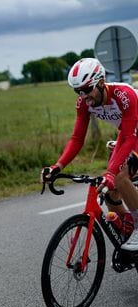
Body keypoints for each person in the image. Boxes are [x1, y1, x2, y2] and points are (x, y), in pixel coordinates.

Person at [41, 57, 138, 251]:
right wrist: (57, 166)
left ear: (101, 82)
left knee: (118, 176)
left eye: (86, 89)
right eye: (78, 91)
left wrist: (112, 171)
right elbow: (77, 138)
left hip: (131, 134)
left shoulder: (124, 95)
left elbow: (128, 137)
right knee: (109, 189)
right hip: (128, 134)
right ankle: (127, 230)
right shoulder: (85, 103)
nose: (83, 96)